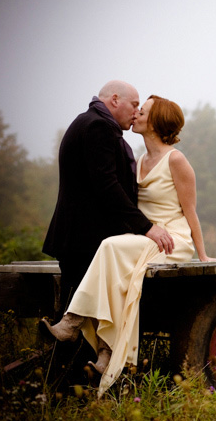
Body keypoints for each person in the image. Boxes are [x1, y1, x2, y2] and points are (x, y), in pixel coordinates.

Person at [41, 94, 214, 396]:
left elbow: (190, 212)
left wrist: (202, 255)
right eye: (136, 109)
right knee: (118, 271)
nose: (135, 114)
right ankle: (107, 349)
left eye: (142, 111)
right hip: (145, 238)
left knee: (110, 247)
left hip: (172, 239)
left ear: (156, 121)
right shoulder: (139, 159)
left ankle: (71, 323)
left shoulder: (176, 159)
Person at [43, 80, 175, 312]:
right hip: (85, 240)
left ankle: (71, 345)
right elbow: (108, 186)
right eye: (134, 105)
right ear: (115, 100)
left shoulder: (87, 121)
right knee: (83, 314)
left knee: (80, 310)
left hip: (80, 237)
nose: (135, 113)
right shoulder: (98, 127)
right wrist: (146, 227)